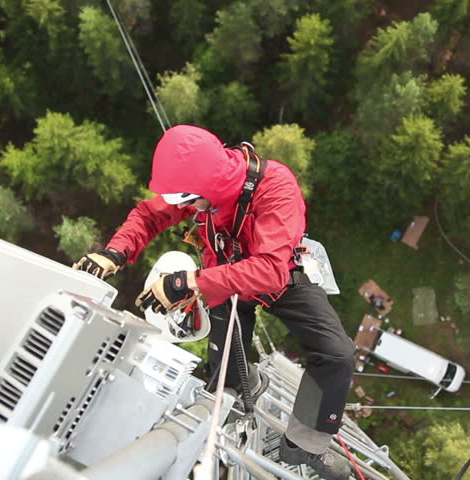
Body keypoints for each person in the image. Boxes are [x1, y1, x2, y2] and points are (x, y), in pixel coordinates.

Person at [73, 124, 354, 480]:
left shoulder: (276, 187)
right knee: (226, 378)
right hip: (224, 279)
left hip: (277, 275)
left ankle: (305, 445)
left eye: (190, 201)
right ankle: (242, 382)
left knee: (337, 354)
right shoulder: (203, 186)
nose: (187, 209)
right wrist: (114, 253)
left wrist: (188, 282)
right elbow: (150, 214)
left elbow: (269, 270)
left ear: (208, 187)